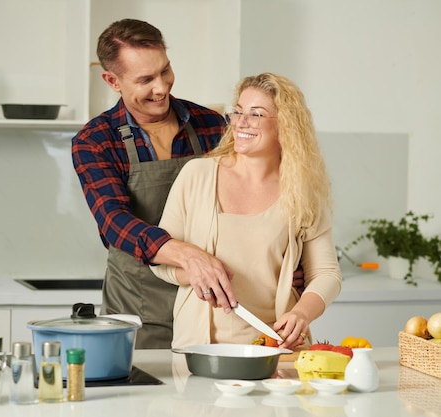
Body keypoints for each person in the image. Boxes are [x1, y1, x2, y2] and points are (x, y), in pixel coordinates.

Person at [150, 72, 342, 350]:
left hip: (275, 348)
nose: (241, 122)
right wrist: (194, 273)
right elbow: (160, 260)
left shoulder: (302, 191)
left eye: (257, 114)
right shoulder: (197, 175)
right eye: (238, 111)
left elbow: (326, 273)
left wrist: (301, 313)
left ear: (285, 125)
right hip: (199, 348)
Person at [71, 18, 229, 348]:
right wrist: (187, 256)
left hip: (212, 302)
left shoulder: (212, 125)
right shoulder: (95, 140)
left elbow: (249, 198)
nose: (162, 88)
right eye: (145, 80)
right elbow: (115, 222)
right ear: (112, 80)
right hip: (139, 311)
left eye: (165, 71)